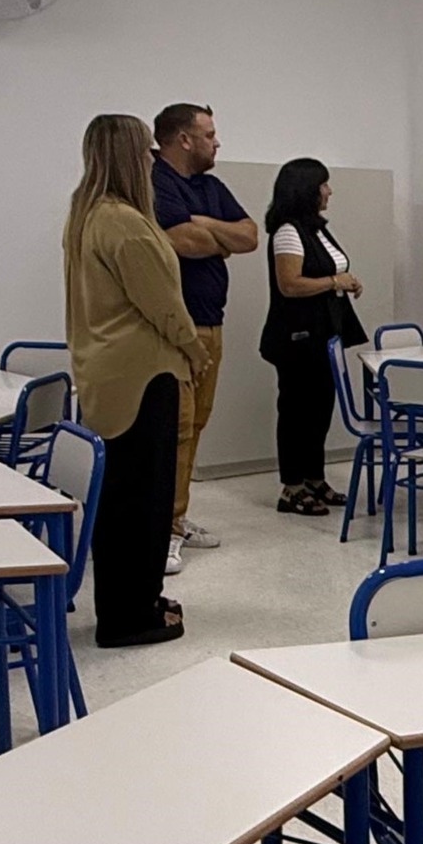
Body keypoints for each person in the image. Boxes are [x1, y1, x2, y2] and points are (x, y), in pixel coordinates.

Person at [64, 113, 208, 648]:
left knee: (121, 500)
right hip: (142, 376)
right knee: (143, 502)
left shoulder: (85, 214)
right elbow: (162, 304)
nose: (151, 162)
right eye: (146, 151)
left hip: (105, 373)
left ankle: (134, 600)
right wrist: (195, 350)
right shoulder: (124, 222)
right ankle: (130, 617)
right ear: (130, 156)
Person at [151, 102, 258, 574]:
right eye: (210, 135)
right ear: (184, 139)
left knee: (195, 425)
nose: (217, 142)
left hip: (213, 322)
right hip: (177, 329)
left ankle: (176, 516)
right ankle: (162, 529)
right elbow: (181, 241)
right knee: (175, 427)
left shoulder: (210, 188)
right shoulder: (156, 181)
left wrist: (204, 224)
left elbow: (250, 236)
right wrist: (216, 238)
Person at [260, 158, 366, 516]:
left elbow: (328, 270)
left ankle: (314, 478)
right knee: (296, 411)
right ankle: (292, 487)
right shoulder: (287, 231)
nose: (329, 191)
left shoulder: (316, 229)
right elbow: (289, 284)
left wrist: (346, 281)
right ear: (307, 189)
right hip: (297, 337)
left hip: (325, 334)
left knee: (320, 409)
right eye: (324, 185)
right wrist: (335, 281)